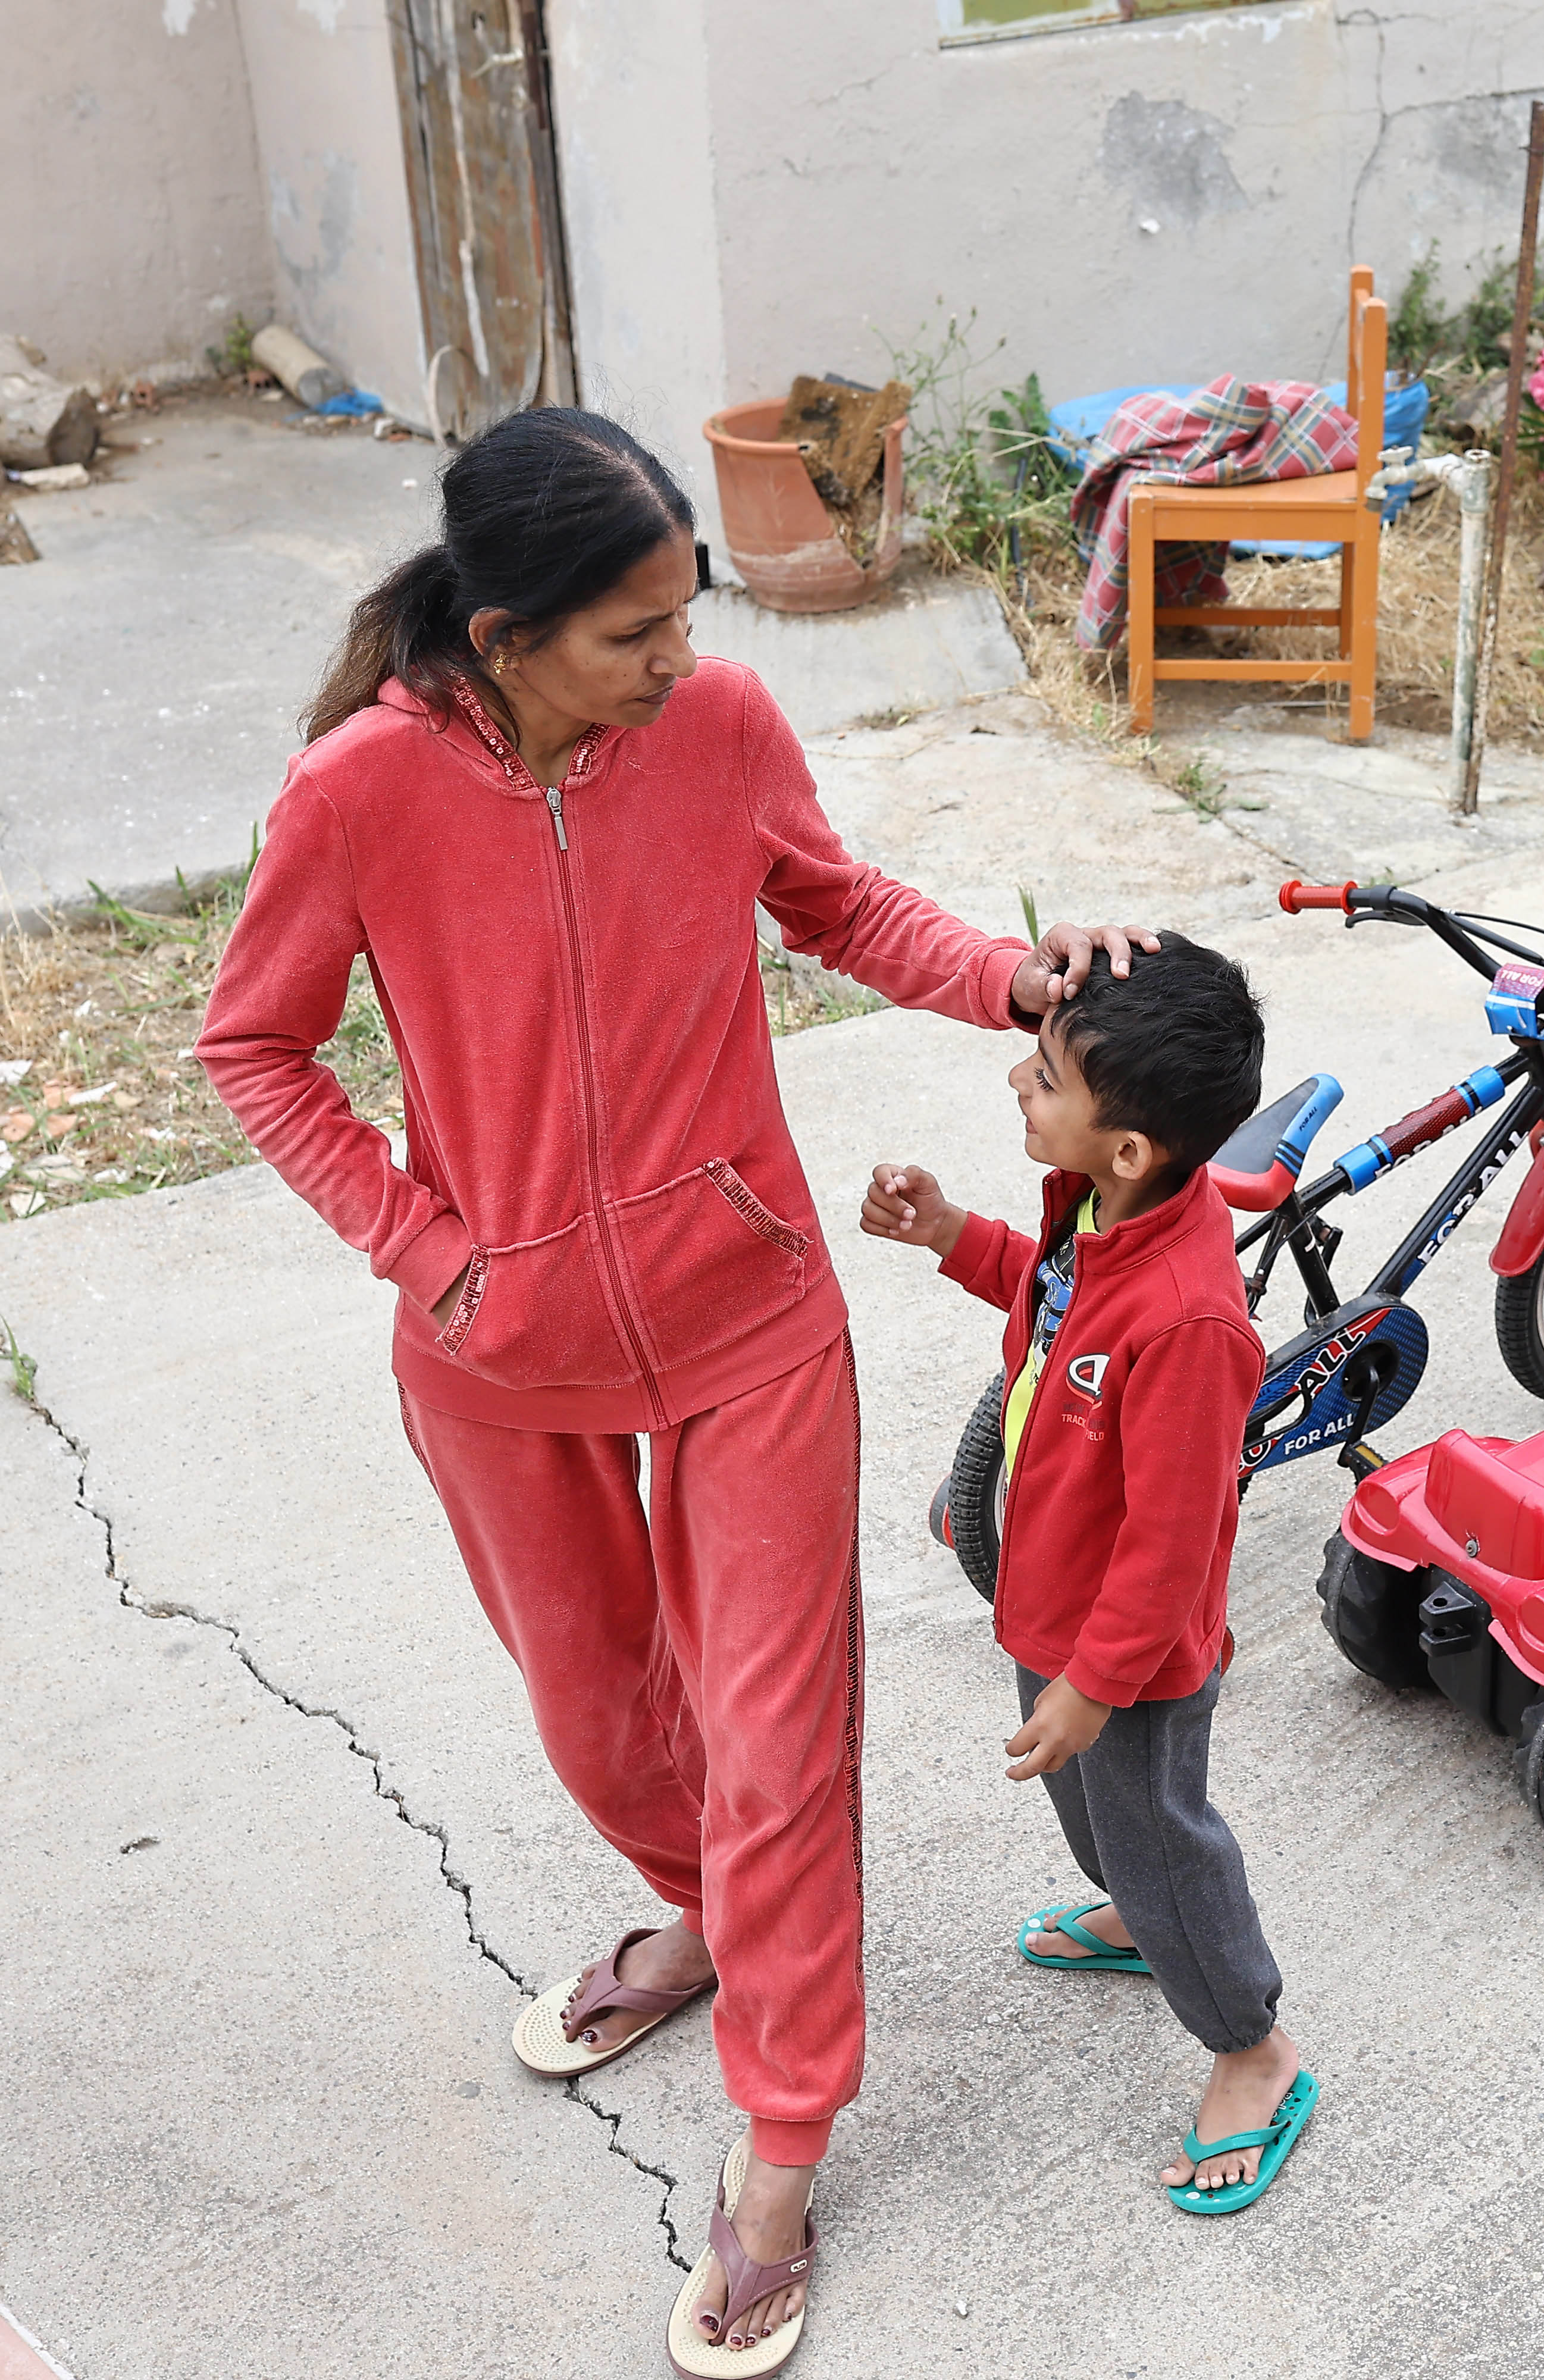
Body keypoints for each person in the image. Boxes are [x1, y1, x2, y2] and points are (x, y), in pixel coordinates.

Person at [196, 406, 1151, 2376]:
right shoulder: (359, 793)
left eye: (681, 618)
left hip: (747, 1314)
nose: (677, 665)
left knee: (779, 1729)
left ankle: (781, 2143)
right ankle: (702, 1912)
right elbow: (256, 1047)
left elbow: (838, 903)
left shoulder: (710, 741)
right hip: (499, 1348)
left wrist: (1016, 977)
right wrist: (428, 1247)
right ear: (506, 628)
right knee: (602, 1714)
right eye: (632, 633)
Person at [859, 934, 1317, 2216]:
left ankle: (1249, 2041)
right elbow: (1048, 1308)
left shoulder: (1188, 1318)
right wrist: (954, 1231)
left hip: (1128, 1659)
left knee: (1159, 1830)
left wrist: (1096, 1685)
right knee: (1093, 1815)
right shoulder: (1100, 1210)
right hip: (1051, 1612)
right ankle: (1138, 1903)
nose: (1018, 1077)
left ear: (1129, 1145)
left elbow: (1172, 1545)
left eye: (1048, 1073)